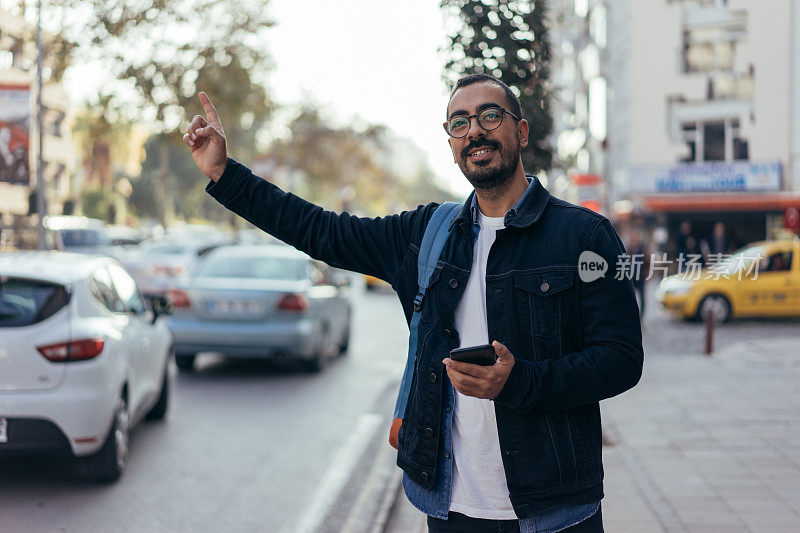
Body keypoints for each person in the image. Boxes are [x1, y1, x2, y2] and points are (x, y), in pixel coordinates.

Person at [183, 73, 643, 533]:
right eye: (459, 123)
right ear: (450, 142)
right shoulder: (426, 235)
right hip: (452, 509)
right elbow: (320, 229)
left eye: (489, 116)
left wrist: (520, 381)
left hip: (557, 511)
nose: (474, 132)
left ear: (520, 132)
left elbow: (621, 360)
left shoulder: (583, 236)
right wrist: (226, 175)